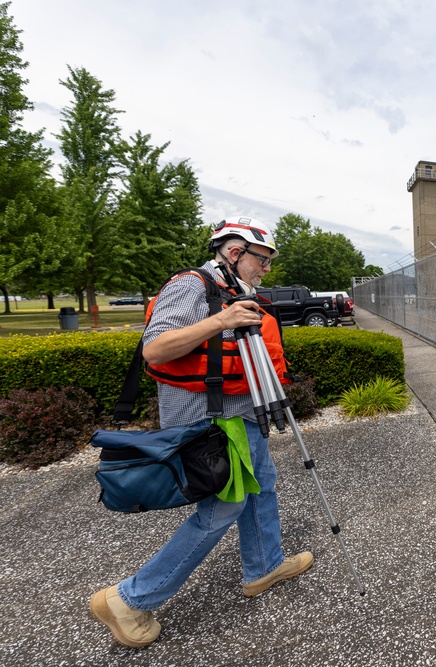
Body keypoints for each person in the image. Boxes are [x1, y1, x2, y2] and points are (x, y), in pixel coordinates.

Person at [90, 216, 313, 648]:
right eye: (262, 261)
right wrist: (221, 320)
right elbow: (155, 347)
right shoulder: (191, 286)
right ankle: (129, 599)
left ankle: (263, 566)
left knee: (262, 485)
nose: (266, 270)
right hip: (208, 421)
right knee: (222, 509)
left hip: (244, 415)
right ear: (234, 253)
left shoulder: (236, 293)